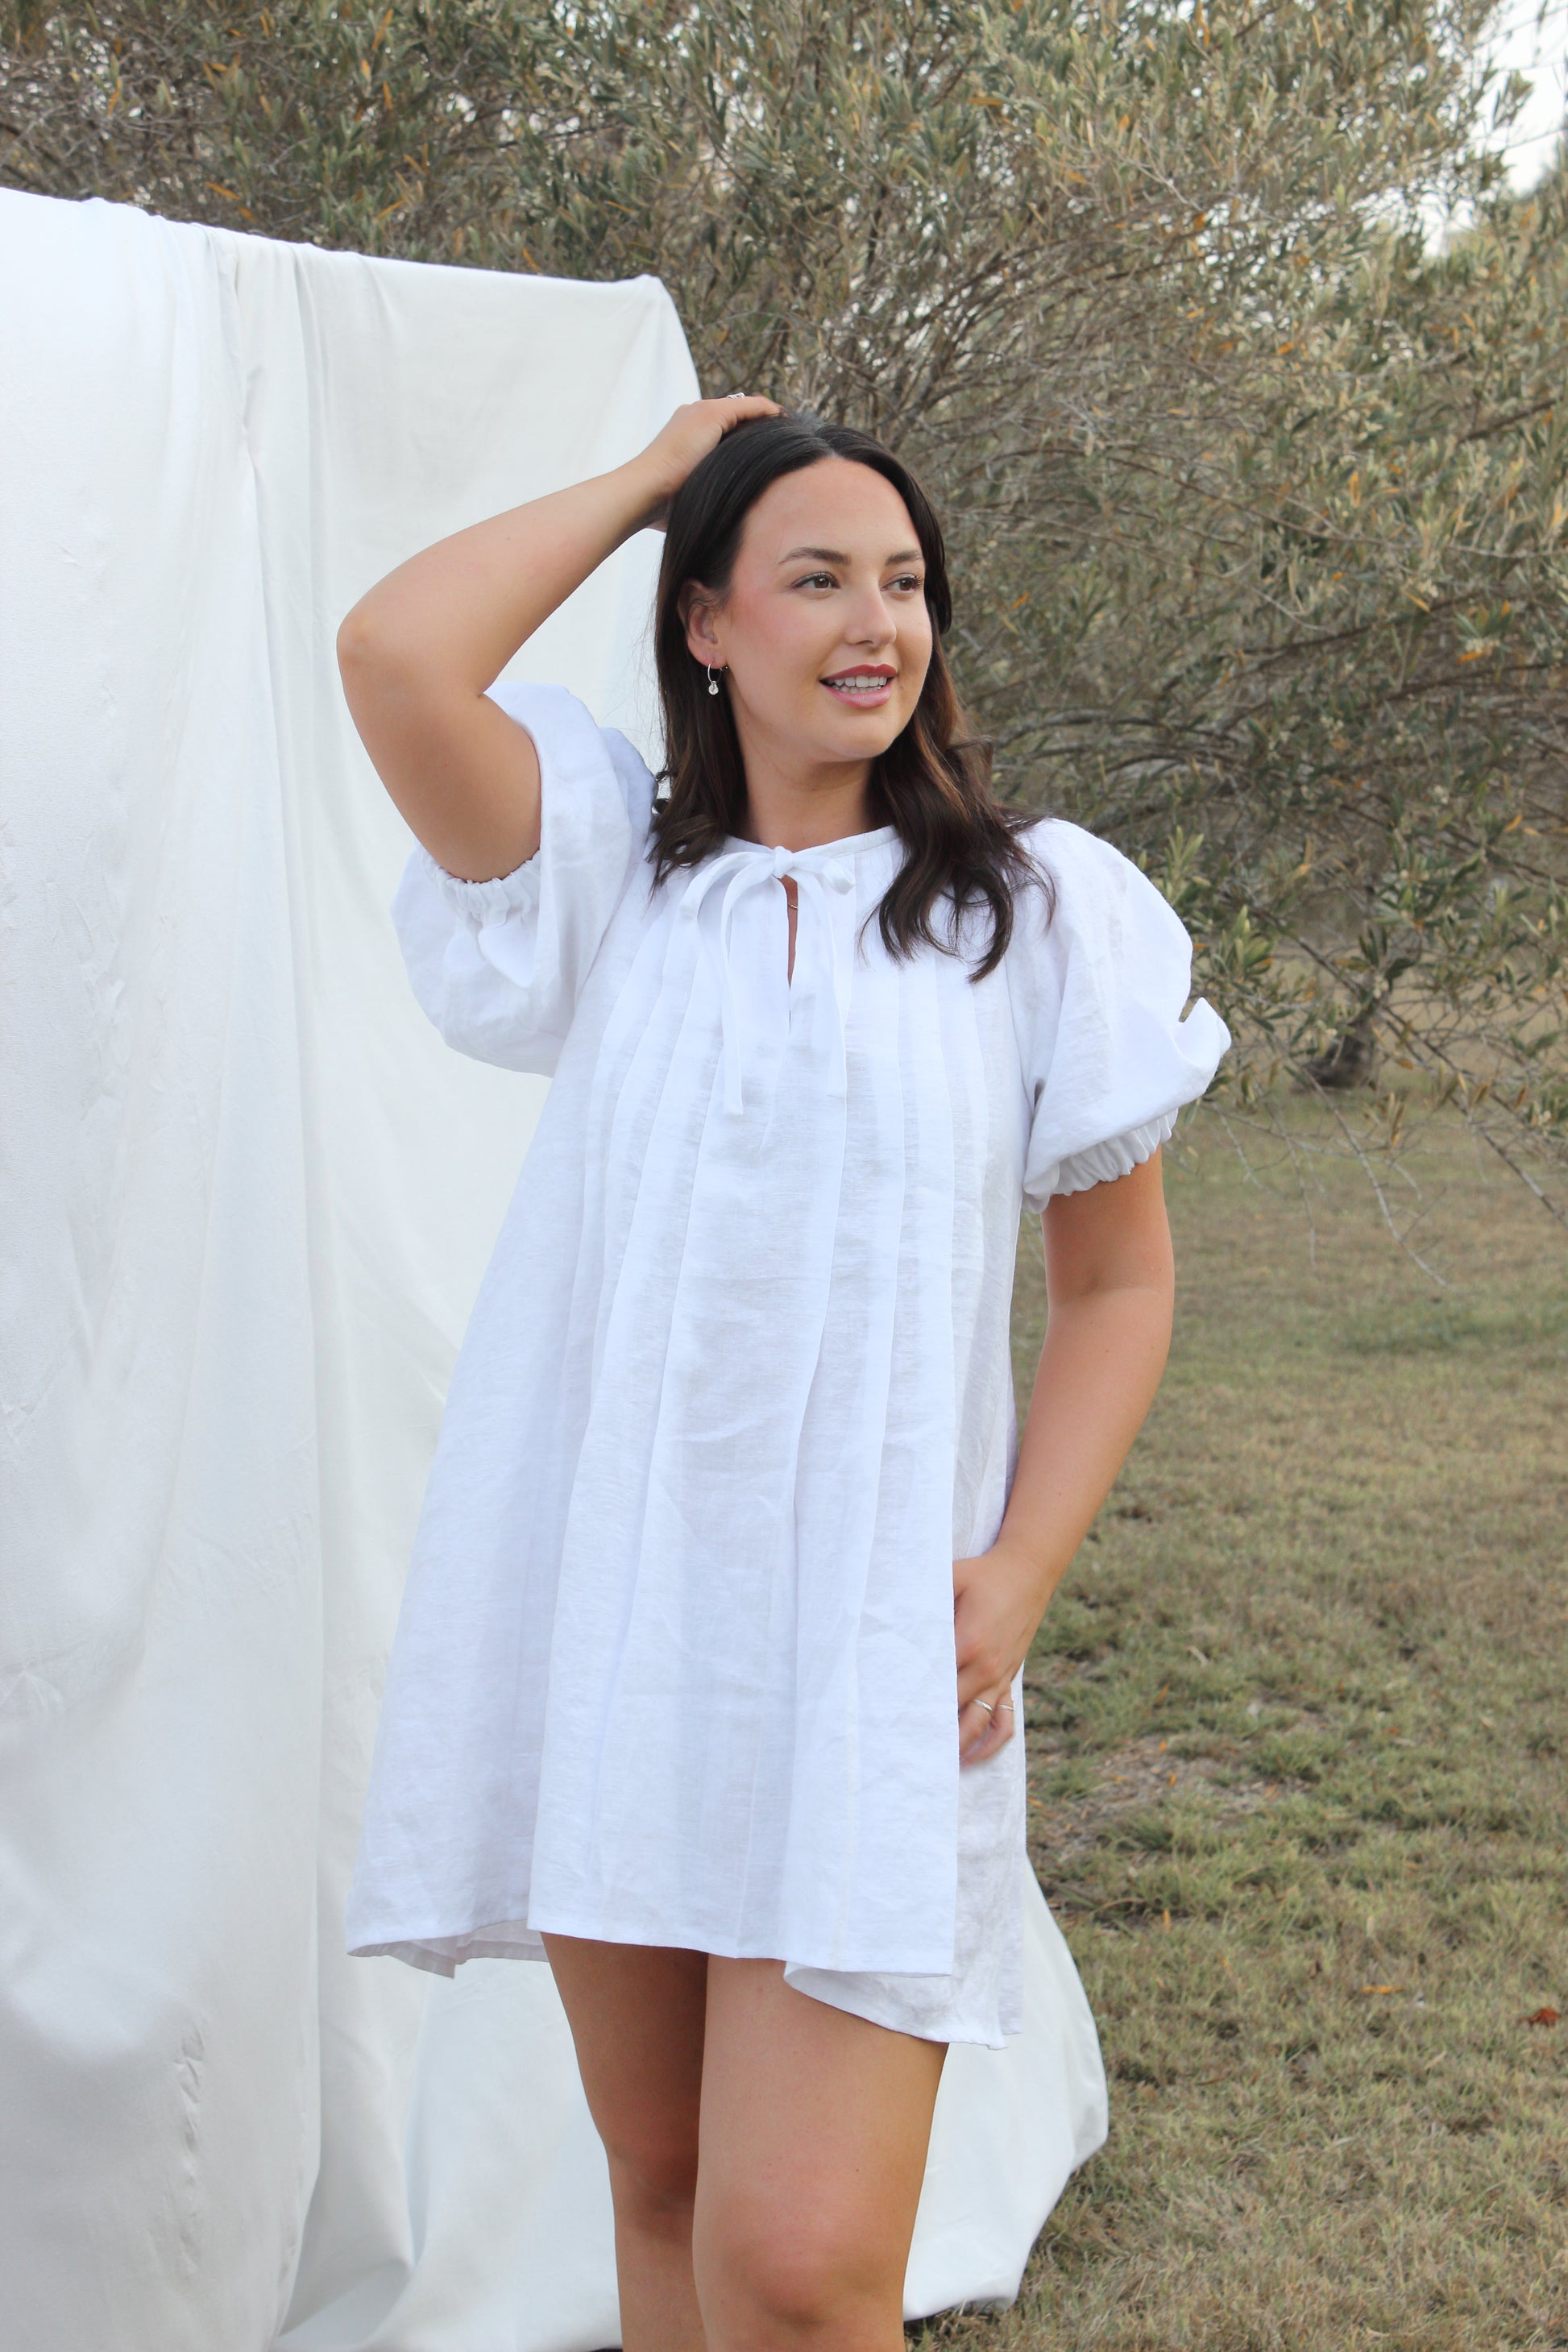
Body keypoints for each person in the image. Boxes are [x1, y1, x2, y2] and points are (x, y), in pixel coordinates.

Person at [336, 395, 1229, 2352]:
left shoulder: (1031, 912)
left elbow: (1117, 1284)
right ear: (706, 621)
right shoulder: (609, 872)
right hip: (621, 1623)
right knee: (661, 2192)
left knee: (804, 2269)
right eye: (814, 577)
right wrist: (656, 475)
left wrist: (1018, 1569)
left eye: (903, 581)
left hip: (867, 1644)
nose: (875, 622)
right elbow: (394, 651)